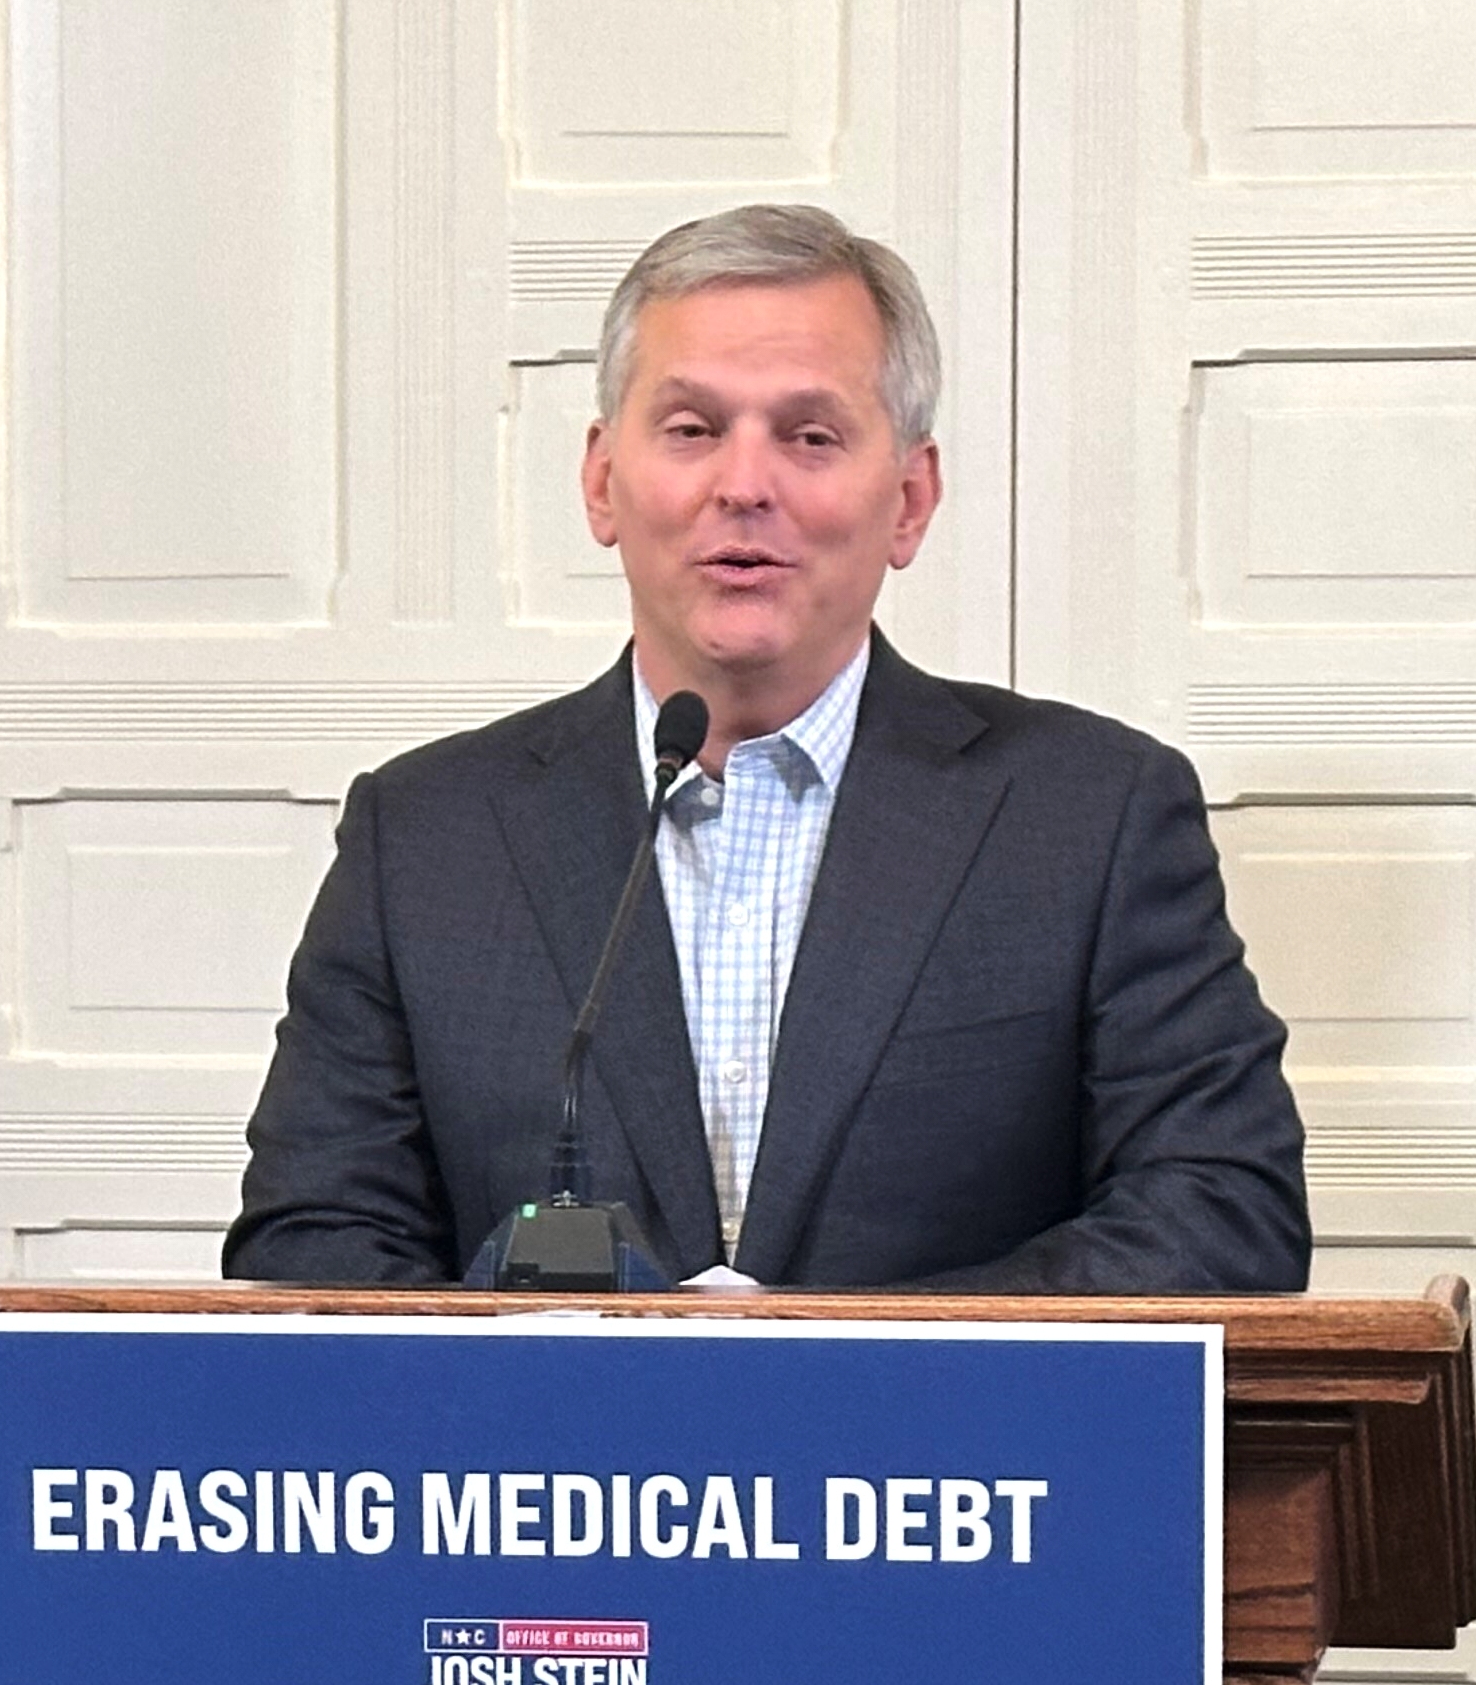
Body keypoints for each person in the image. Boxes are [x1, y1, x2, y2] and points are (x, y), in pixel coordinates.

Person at [227, 204, 1307, 1292]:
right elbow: (310, 1242)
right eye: (692, 429)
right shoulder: (426, 837)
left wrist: (814, 1374)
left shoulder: (1090, 814)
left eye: (811, 436)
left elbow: (1220, 1211)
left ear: (910, 500)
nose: (745, 486)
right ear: (603, 481)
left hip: (934, 1455)